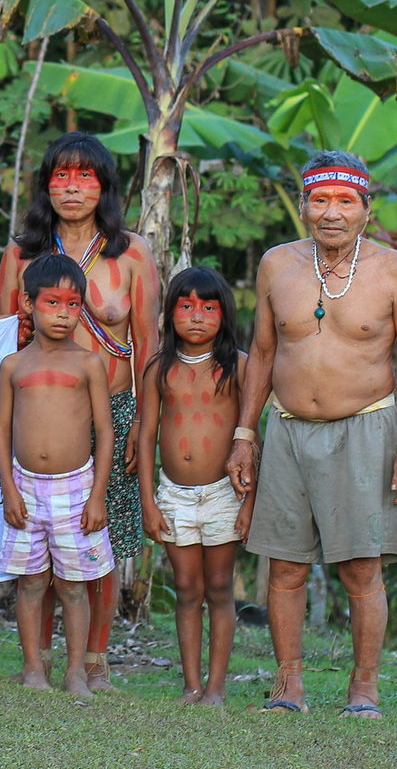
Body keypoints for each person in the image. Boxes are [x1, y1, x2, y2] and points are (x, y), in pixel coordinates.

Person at [227, 150, 397, 719]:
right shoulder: (276, 264)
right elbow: (264, 351)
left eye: (345, 201)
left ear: (366, 208)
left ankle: (364, 691)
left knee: (361, 567)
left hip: (367, 429)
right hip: (288, 430)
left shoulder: (393, 270)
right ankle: (288, 687)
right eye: (320, 200)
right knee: (284, 566)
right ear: (303, 206)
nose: (331, 213)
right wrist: (245, 433)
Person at [0, 132, 158, 692]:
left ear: (104, 186)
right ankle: (34, 661)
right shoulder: (22, 252)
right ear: (46, 184)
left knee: (100, 540)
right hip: (38, 417)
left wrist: (141, 420)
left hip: (112, 409)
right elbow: (4, 341)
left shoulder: (131, 252)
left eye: (85, 176)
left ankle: (94, 661)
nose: (72, 187)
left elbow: (149, 345)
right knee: (39, 549)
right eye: (61, 175)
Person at [0, 253, 114, 697]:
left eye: (73, 304)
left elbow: (104, 431)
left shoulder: (87, 364)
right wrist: (8, 488)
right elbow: (1, 430)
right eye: (52, 303)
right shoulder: (13, 365)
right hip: (25, 487)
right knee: (29, 582)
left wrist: (97, 495)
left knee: (74, 586)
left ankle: (76, 673)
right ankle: (32, 669)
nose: (64, 314)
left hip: (76, 489)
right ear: (28, 304)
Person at [136, 266, 250, 706]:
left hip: (225, 491)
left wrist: (249, 501)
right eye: (186, 307)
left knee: (220, 587)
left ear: (223, 314)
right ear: (170, 314)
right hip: (174, 493)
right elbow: (146, 436)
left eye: (207, 307)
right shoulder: (159, 368)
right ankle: (191, 685)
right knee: (187, 588)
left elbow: (250, 435)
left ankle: (217, 688)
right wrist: (149, 500)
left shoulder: (238, 365)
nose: (197, 316)